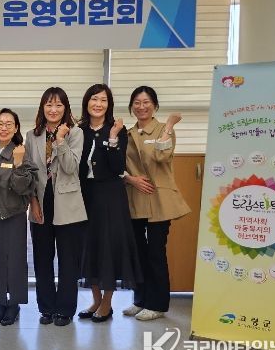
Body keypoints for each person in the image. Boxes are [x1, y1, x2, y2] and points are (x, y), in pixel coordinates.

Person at [123, 86, 191, 321]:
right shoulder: (127, 133)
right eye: (137, 102)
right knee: (138, 253)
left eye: (146, 102)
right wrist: (130, 179)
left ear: (154, 105)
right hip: (135, 197)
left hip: (160, 200)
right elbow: (118, 165)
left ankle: (157, 304)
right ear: (131, 106)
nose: (141, 107)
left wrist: (169, 124)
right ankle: (140, 300)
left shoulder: (164, 130)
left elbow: (162, 156)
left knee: (155, 253)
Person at [77, 84, 142, 323]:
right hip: (85, 194)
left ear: (109, 104)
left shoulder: (117, 129)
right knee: (89, 246)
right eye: (94, 99)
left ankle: (107, 303)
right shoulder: (79, 130)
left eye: (103, 100)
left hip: (111, 195)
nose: (98, 104)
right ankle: (95, 300)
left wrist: (113, 137)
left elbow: (117, 168)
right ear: (87, 102)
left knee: (109, 247)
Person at [24, 87, 87, 327]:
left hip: (68, 203)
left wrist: (60, 140)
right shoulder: (32, 135)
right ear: (42, 108)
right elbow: (29, 172)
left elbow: (71, 168)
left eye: (58, 105)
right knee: (42, 258)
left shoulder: (76, 133)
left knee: (68, 260)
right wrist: (32, 201)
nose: (53, 109)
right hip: (41, 201)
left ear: (65, 108)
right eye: (49, 105)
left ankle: (65, 310)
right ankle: (47, 308)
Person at [0, 108, 37, 326]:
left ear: (16, 128)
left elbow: (23, 187)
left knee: (14, 259)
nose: (4, 128)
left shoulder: (20, 151)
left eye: (8, 124)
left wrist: (19, 163)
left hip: (13, 211)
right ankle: (1, 302)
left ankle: (14, 305)